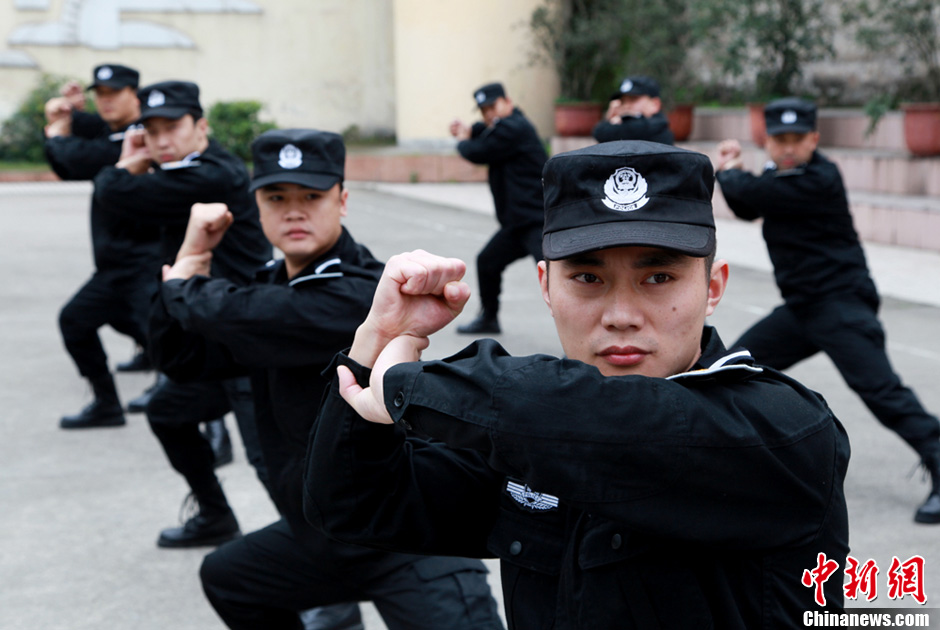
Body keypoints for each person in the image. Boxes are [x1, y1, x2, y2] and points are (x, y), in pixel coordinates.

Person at [305, 141, 851, 629]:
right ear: (545, 284)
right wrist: (377, 339)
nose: (620, 314)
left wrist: (410, 383)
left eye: (658, 277)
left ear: (713, 288)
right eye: (587, 278)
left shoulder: (782, 432)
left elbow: (617, 423)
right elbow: (355, 504)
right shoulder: (530, 431)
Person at [148, 129, 505, 630]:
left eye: (311, 197)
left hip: (406, 538)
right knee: (229, 577)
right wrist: (192, 255)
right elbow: (181, 358)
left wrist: (185, 286)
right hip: (322, 533)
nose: (294, 211)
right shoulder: (267, 291)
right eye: (277, 198)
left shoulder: (365, 291)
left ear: (342, 200)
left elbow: (244, 312)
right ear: (257, 206)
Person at [715, 97, 940, 524]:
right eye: (779, 139)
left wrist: (727, 170)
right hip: (801, 308)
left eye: (796, 139)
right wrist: (731, 171)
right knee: (734, 370)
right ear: (768, 140)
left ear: (814, 139)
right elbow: (747, 207)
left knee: (882, 393)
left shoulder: (819, 177)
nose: (786, 148)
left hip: (840, 304)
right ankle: (742, 462)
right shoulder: (777, 176)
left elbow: (754, 193)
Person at [94, 80, 272, 547]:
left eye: (172, 127)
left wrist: (127, 164)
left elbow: (114, 193)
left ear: (202, 127)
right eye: (150, 131)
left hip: (250, 342)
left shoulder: (212, 176)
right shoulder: (181, 171)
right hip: (209, 341)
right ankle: (215, 516)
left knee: (274, 467)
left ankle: (333, 601)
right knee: (168, 413)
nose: (161, 141)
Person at [44, 63, 163, 429]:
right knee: (76, 321)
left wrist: (57, 129)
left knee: (166, 336)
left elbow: (76, 159)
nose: (106, 101)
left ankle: (193, 407)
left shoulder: (139, 139)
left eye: (115, 94)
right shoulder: (117, 133)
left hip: (147, 261)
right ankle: (107, 404)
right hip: (115, 266)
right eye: (101, 95)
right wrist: (73, 114)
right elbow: (97, 135)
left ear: (136, 96)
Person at [448, 82, 547, 334]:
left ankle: (578, 336)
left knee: (554, 279)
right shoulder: (504, 127)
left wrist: (462, 139)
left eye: (493, 106)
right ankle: (489, 319)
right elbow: (485, 131)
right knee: (487, 262)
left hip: (538, 222)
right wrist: (471, 129)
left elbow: (480, 150)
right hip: (517, 224)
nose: (489, 113)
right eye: (483, 110)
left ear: (508, 102)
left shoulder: (514, 128)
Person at [592, 75, 674, 145]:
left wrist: (610, 124)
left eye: (633, 99)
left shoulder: (658, 127)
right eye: (623, 101)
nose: (626, 105)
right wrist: (611, 118)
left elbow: (601, 132)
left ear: (655, 104)